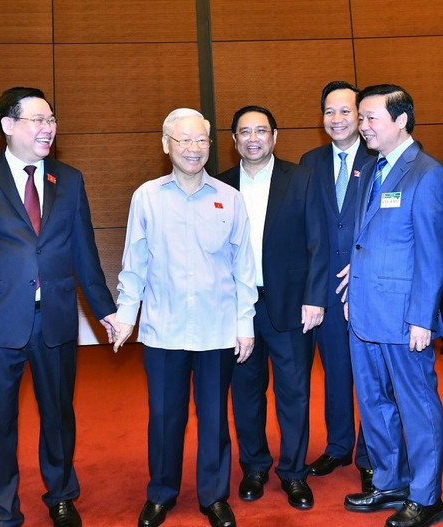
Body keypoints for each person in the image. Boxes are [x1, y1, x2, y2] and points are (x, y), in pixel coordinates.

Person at [0, 87, 118, 527]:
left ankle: (61, 494)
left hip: (56, 318)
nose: (48, 128)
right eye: (37, 120)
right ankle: (2, 509)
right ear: (8, 125)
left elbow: (84, 250)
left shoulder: (70, 178)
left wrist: (105, 309)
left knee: (59, 415)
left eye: (51, 120)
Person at [112, 108, 256, 527]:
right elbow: (134, 264)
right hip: (164, 329)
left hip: (216, 329)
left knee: (213, 417)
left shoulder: (230, 198)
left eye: (201, 141)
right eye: (184, 140)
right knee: (164, 417)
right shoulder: (147, 197)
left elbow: (243, 267)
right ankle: (161, 492)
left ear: (210, 146)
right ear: (166, 145)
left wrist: (244, 323)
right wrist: (126, 317)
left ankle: (214, 496)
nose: (193, 149)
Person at [343, 85, 443, 527]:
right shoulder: (372, 168)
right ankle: (390, 482)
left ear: (401, 120)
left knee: (417, 406)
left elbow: (432, 252)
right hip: (365, 312)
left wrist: (422, 317)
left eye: (371, 118)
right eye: (361, 118)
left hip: (406, 319)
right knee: (373, 403)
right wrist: (354, 282)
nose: (362, 126)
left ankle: (426, 498)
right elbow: (368, 236)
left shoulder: (427, 173)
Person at [218, 105, 328, 511]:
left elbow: (319, 242)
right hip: (239, 308)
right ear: (233, 140)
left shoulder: (300, 179)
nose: (252, 138)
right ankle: (255, 467)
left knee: (294, 392)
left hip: (291, 306)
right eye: (244, 131)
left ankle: (294, 473)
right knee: (246, 392)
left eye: (260, 130)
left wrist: (315, 297)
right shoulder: (220, 185)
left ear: (274, 136)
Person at [299, 80, 376, 488]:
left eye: (346, 111)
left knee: (371, 375)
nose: (337, 119)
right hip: (326, 291)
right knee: (334, 372)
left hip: (368, 287)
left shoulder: (380, 157)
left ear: (361, 116)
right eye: (329, 111)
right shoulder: (308, 162)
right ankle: (338, 446)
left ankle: (370, 454)